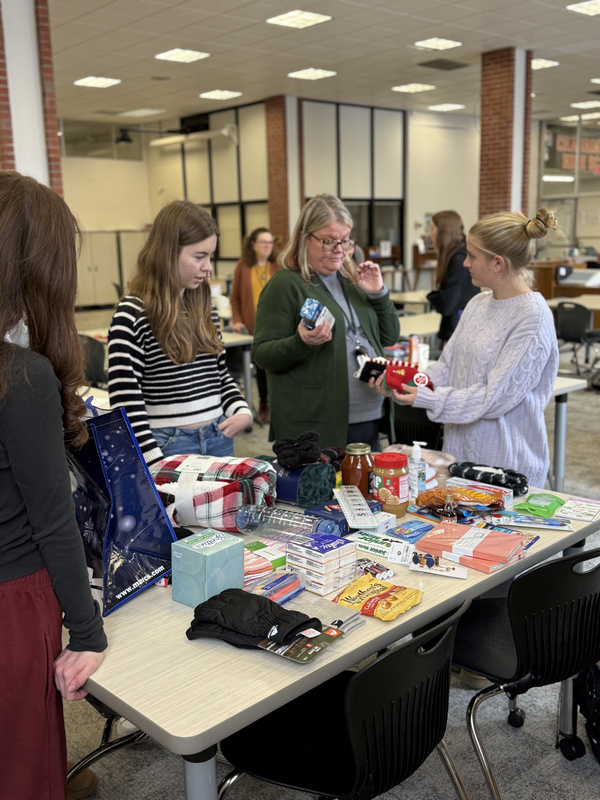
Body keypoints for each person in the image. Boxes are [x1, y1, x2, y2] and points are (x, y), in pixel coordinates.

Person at [0, 170, 107, 799]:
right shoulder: (23, 377)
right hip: (13, 599)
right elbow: (51, 518)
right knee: (23, 767)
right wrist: (87, 633)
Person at [379, 209, 559, 489]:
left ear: (498, 263)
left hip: (506, 466)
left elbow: (493, 398)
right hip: (461, 457)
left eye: (472, 256)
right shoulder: (478, 304)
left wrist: (427, 399)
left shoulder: (532, 317)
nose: (465, 264)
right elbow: (449, 365)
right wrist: (409, 382)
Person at [108, 201, 252, 466]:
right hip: (167, 444)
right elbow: (125, 397)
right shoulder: (133, 312)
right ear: (167, 253)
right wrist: (151, 457)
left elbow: (218, 374)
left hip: (218, 435)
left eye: (210, 256)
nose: (208, 267)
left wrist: (240, 409)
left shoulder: (205, 306)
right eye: (199, 257)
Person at [252, 194, 400, 450]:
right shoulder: (286, 284)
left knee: (364, 489)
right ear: (304, 238)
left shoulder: (353, 279)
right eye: (328, 242)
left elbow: (389, 336)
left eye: (345, 241)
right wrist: (301, 343)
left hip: (370, 414)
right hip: (316, 424)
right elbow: (263, 354)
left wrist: (378, 294)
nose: (339, 251)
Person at [230, 227, 280, 424]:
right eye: (263, 242)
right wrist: (236, 320)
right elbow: (234, 297)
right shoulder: (243, 266)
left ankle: (277, 406)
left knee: (276, 369)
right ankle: (263, 405)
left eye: (270, 242)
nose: (268, 246)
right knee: (260, 369)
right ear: (253, 245)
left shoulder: (277, 266)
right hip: (254, 328)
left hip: (277, 327)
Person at [426, 210, 479, 345]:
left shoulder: (459, 260)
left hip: (460, 332)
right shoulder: (456, 255)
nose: (429, 234)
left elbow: (448, 304)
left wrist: (432, 296)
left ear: (443, 232)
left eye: (432, 229)